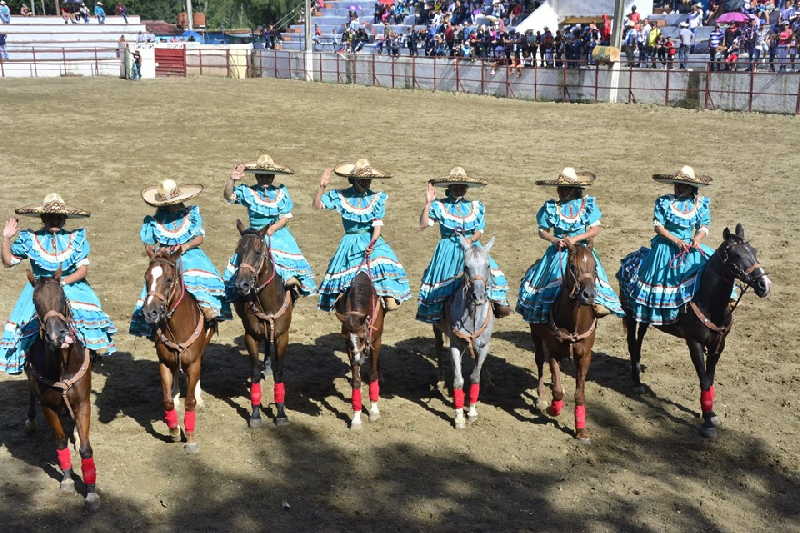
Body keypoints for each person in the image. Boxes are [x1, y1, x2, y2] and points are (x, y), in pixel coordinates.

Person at [0, 194, 117, 374]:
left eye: (58, 217)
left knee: (85, 314)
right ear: (43, 218)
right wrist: (6, 238)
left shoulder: (75, 238)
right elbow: (8, 262)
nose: (54, 220)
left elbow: (82, 271)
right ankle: (29, 362)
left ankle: (89, 353)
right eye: (49, 217)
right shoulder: (30, 239)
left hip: (70, 285)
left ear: (64, 219)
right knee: (23, 325)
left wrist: (61, 282)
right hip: (40, 288)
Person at [619, 166, 726, 326]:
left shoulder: (700, 204)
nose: (678, 187)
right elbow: (659, 227)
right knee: (663, 279)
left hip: (689, 246)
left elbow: (704, 226)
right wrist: (676, 241)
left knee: (713, 269)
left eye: (682, 185)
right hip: (665, 247)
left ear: (691, 187)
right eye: (676, 184)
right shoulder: (664, 202)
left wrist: (697, 239)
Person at [516, 168, 624, 324]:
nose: (560, 191)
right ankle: (544, 309)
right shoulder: (552, 207)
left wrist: (576, 239)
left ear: (574, 189)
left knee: (594, 273)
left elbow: (595, 229)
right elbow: (542, 231)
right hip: (558, 252)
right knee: (547, 279)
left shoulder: (587, 205)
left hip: (582, 250)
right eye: (559, 188)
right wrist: (554, 240)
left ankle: (598, 303)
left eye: (564, 188)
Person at [129, 180, 228, 337]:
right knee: (154, 285)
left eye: (174, 203)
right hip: (165, 258)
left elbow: (199, 238)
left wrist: (185, 247)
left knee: (194, 278)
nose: (172, 206)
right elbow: (148, 245)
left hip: (190, 255)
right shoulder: (155, 221)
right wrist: (156, 254)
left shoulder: (191, 215)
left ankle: (207, 308)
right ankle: (148, 322)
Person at [312, 159, 411, 312]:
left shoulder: (376, 198)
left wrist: (372, 243)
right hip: (350, 241)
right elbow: (318, 205)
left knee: (382, 262)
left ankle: (388, 297)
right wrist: (322, 187)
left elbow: (377, 226)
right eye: (362, 180)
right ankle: (340, 300)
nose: (366, 183)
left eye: (368, 179)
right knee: (343, 273)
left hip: (371, 239)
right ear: (354, 180)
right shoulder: (341, 195)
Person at [416, 167, 510, 324]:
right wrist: (428, 203)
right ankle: (441, 316)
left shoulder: (475, 206)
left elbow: (479, 230)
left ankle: (498, 305)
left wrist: (471, 240)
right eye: (456, 185)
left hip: (472, 247)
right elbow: (423, 224)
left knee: (491, 272)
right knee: (445, 284)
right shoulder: (439, 205)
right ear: (449, 187)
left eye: (462, 185)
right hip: (449, 248)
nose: (460, 189)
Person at [223, 155, 317, 300]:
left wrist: (273, 228)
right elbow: (229, 195)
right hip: (255, 233)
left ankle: (291, 280)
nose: (264, 179)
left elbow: (285, 217)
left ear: (273, 176)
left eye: (268, 176)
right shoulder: (248, 191)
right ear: (256, 176)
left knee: (286, 255)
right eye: (261, 176)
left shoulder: (281, 193)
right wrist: (232, 179)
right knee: (241, 260)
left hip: (277, 232)